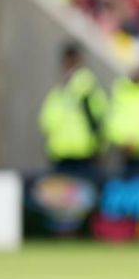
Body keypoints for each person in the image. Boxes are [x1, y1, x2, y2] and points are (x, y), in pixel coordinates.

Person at [39, 42, 107, 178]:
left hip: (84, 157)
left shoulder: (88, 91)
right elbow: (46, 122)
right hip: (60, 156)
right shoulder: (59, 93)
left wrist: (99, 148)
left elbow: (100, 122)